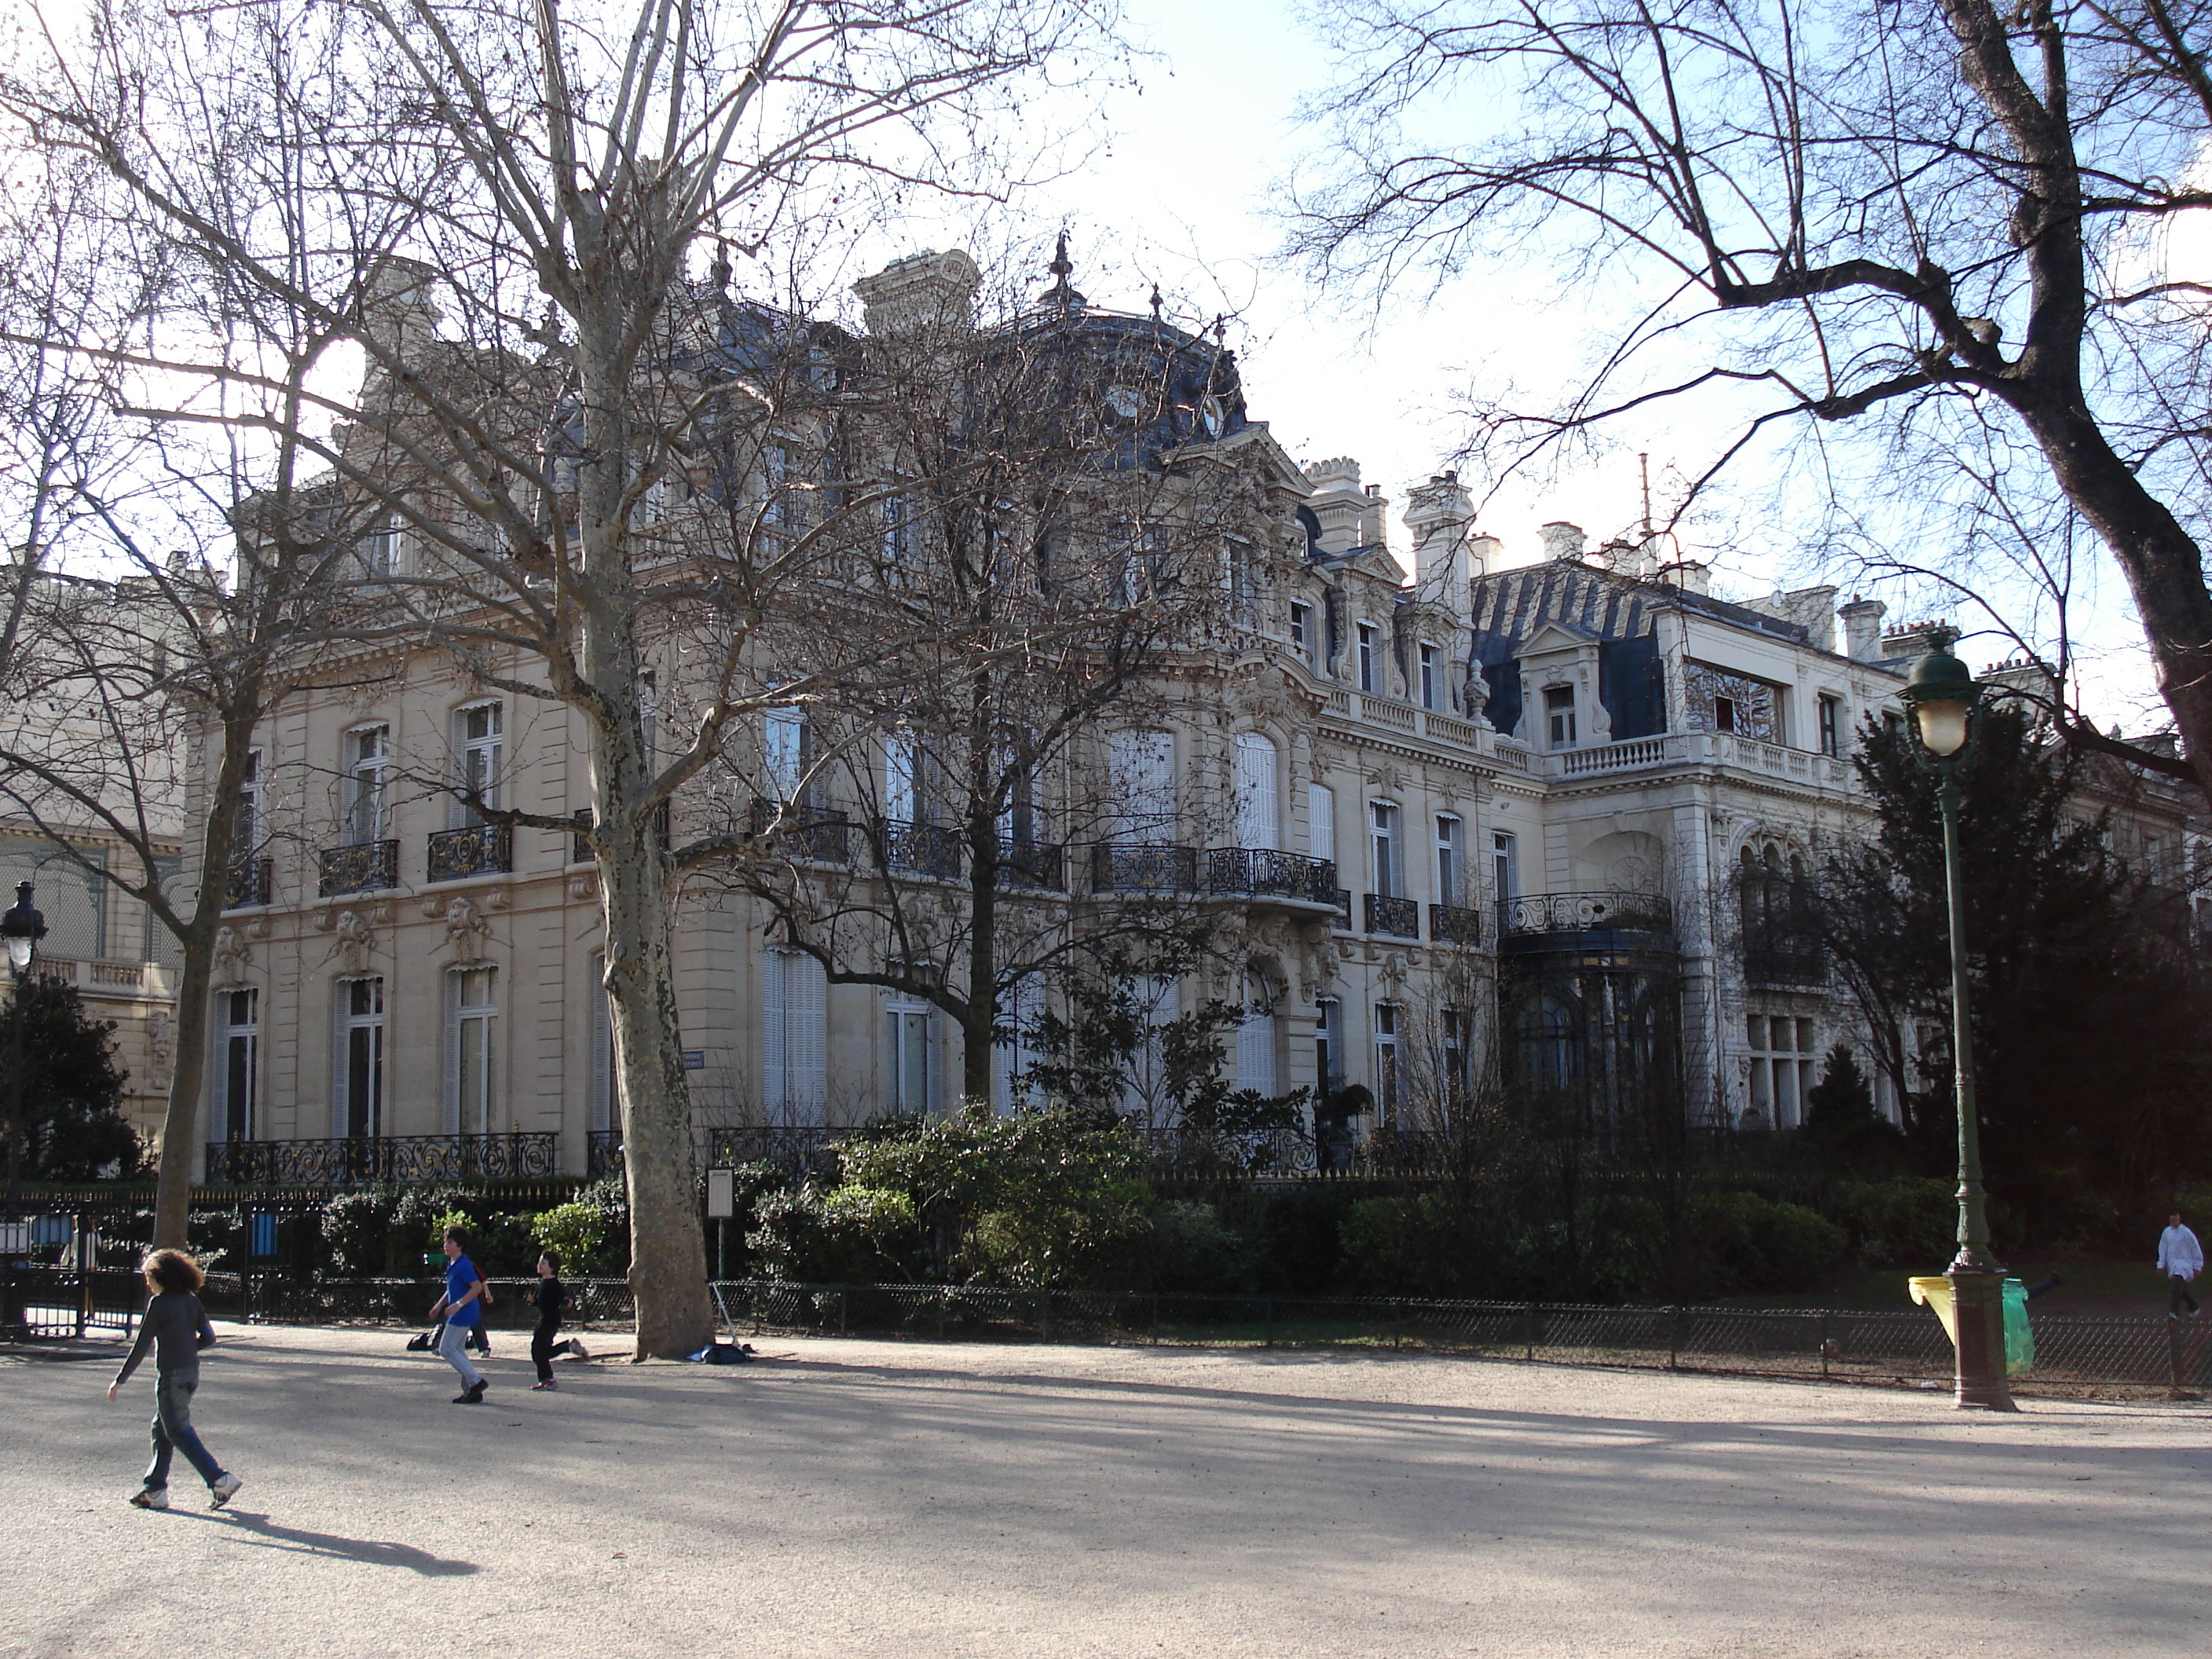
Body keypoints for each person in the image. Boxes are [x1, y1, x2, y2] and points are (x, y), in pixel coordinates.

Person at [107, 1248, 242, 1511]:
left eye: (148, 1277)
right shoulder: (191, 1300)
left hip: (170, 1376)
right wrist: (189, 1348)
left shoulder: (160, 1304)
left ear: (160, 1277)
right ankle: (155, 1489)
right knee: (163, 1428)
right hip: (191, 1373)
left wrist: (119, 1380)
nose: (146, 1282)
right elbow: (210, 1338)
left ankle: (219, 1479)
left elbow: (141, 1345)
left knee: (178, 1431)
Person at [427, 1225, 489, 1403]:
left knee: (446, 1349)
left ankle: (476, 1382)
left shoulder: (464, 1265)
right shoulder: (452, 1265)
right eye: (445, 1241)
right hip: (459, 1312)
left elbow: (476, 1287)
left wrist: (459, 1305)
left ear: (460, 1245)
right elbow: (451, 1290)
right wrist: (439, 1305)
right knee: (458, 1351)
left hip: (464, 1313)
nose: (446, 1245)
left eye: (450, 1242)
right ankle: (471, 1391)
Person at [525, 1249, 589, 1390]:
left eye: (543, 1263)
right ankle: (568, 1347)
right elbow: (545, 1303)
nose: (539, 1265)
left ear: (552, 1267)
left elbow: (564, 1297)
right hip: (546, 1320)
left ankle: (548, 1379)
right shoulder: (543, 1282)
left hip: (550, 1321)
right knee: (541, 1352)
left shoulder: (553, 1283)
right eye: (539, 1262)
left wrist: (569, 1301)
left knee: (538, 1351)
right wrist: (534, 1301)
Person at [2159, 1210, 2203, 1319]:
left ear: (2179, 1218)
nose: (2173, 1222)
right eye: (2172, 1220)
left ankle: (2174, 1311)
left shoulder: (2186, 1233)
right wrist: (2161, 1264)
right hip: (2173, 1265)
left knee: (2176, 1287)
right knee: (2181, 1290)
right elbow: (2163, 1248)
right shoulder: (2167, 1233)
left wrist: (2197, 1266)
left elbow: (2195, 1248)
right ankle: (2194, 1308)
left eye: (2175, 1220)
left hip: (2185, 1265)